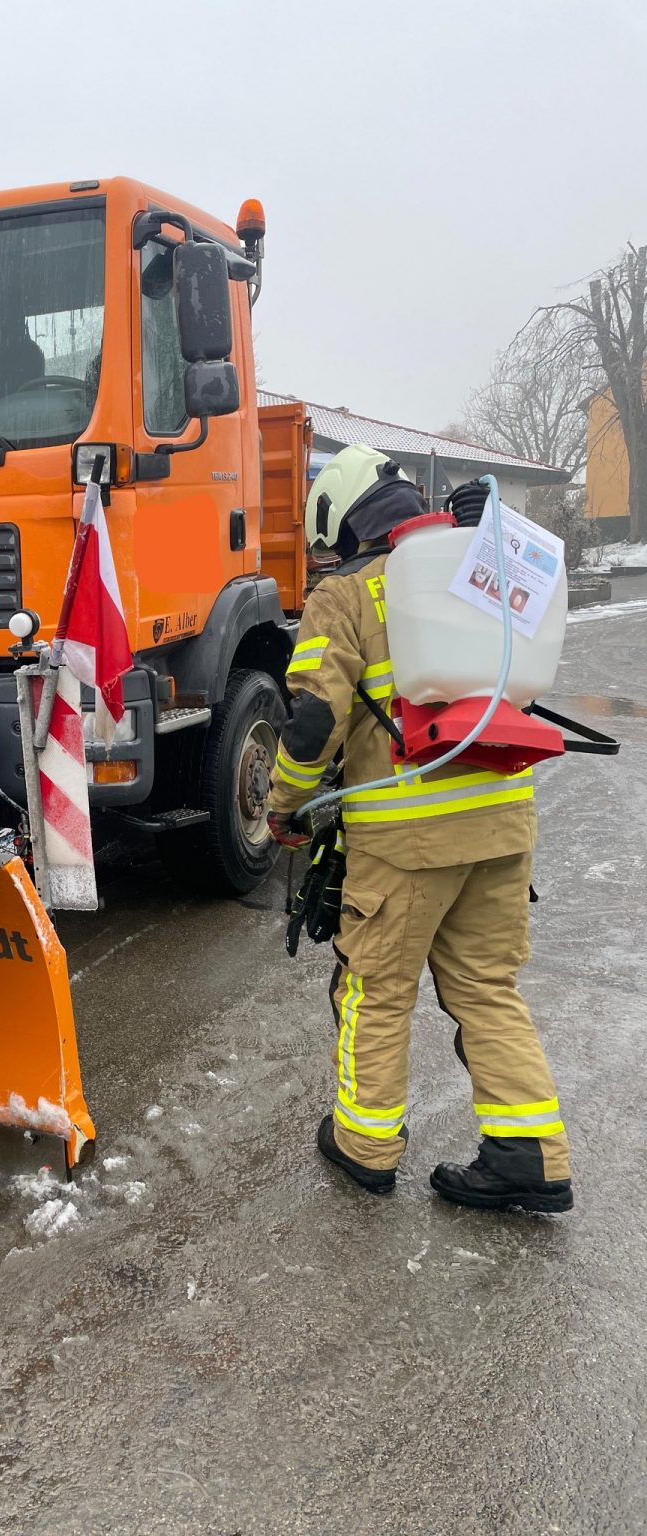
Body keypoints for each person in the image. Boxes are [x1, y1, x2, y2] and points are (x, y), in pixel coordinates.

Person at [265, 445, 572, 1213]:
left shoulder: (347, 595)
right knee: (486, 989)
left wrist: (281, 808)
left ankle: (365, 1144)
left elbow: (310, 725)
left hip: (407, 842)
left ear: (344, 519)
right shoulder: (477, 570)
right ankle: (529, 1154)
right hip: (505, 821)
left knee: (376, 990)